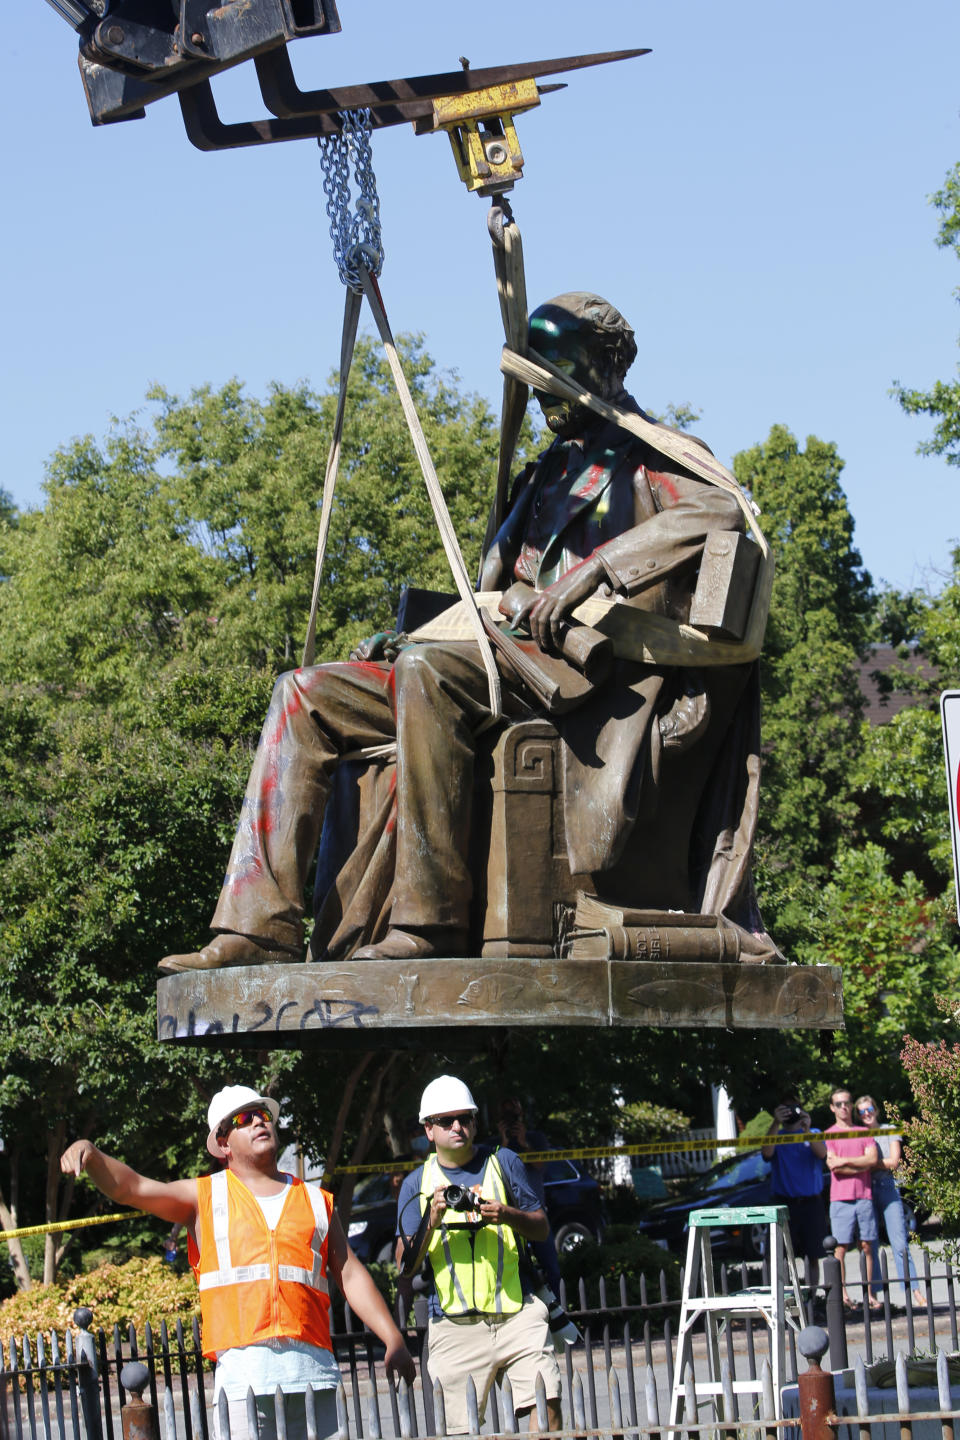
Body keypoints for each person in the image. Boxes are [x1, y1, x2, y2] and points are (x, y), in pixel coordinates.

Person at [159, 290, 770, 973]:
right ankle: (256, 928)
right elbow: (486, 591)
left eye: (555, 371)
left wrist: (595, 573)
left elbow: (720, 509)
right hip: (492, 655)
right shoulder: (545, 474)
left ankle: (430, 925)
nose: (542, 396)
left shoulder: (650, 456)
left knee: (426, 672)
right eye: (533, 377)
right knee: (304, 692)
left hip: (584, 677)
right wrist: (409, 635)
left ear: (608, 368)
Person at [60, 1084, 416, 1440]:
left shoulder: (314, 1199)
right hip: (245, 1382)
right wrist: (90, 1154)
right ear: (224, 1143)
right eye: (244, 1119)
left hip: (315, 1376)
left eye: (263, 1115)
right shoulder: (204, 1196)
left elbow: (350, 1273)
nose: (259, 1122)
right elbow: (131, 1189)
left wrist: (392, 1338)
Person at [395, 1074, 562, 1434]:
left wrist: (506, 1214)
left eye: (465, 1118)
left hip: (517, 1312)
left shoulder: (504, 1162)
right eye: (446, 1120)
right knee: (458, 1429)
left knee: (547, 1408)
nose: (457, 1126)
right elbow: (403, 1265)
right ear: (429, 1130)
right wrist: (432, 1216)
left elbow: (541, 1227)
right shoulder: (416, 1183)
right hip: (454, 1326)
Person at [855, 1094, 926, 1308]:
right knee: (869, 1244)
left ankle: (914, 1291)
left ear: (876, 1110)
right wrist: (872, 1163)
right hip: (866, 1188)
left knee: (899, 1242)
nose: (867, 1114)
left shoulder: (889, 1130)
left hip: (887, 1187)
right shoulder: (857, 1134)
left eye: (869, 1110)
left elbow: (894, 1161)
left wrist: (869, 1162)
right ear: (858, 1115)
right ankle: (873, 1295)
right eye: (862, 1111)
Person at [495, 1097, 563, 1297]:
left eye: (513, 1115)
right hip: (507, 1215)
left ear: (521, 1115)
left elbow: (541, 1166)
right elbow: (493, 1169)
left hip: (534, 1211)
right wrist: (503, 1142)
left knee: (551, 1266)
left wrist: (525, 1143)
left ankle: (558, 1307)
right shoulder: (494, 1146)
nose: (510, 1120)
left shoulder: (536, 1138)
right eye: (505, 1116)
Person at [759, 1092, 827, 1289]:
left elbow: (822, 1153)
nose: (791, 1113)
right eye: (785, 1109)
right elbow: (766, 1153)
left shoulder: (812, 1132)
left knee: (813, 1255)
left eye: (794, 1108)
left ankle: (812, 1298)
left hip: (811, 1203)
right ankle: (784, 1296)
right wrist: (775, 1123)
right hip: (784, 1204)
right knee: (778, 1254)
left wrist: (805, 1129)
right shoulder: (777, 1136)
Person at [823, 1087, 880, 1309]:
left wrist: (845, 1162)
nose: (844, 1107)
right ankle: (843, 1294)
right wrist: (860, 1162)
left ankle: (869, 1293)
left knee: (867, 1245)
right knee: (840, 1247)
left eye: (846, 1102)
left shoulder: (862, 1131)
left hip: (864, 1196)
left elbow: (872, 1160)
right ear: (832, 1107)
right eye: (839, 1104)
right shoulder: (829, 1134)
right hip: (840, 1198)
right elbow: (833, 1167)